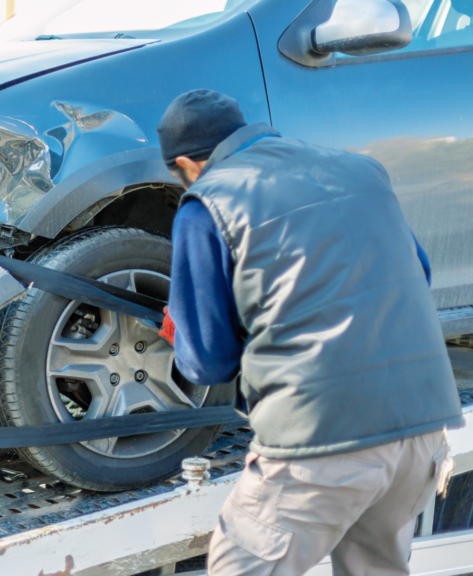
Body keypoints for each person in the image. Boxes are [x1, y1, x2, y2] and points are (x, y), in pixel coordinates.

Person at [154, 89, 463, 576]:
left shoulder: (207, 204)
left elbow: (207, 361)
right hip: (422, 427)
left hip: (322, 440)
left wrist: (183, 327)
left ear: (189, 164)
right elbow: (415, 276)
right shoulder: (360, 170)